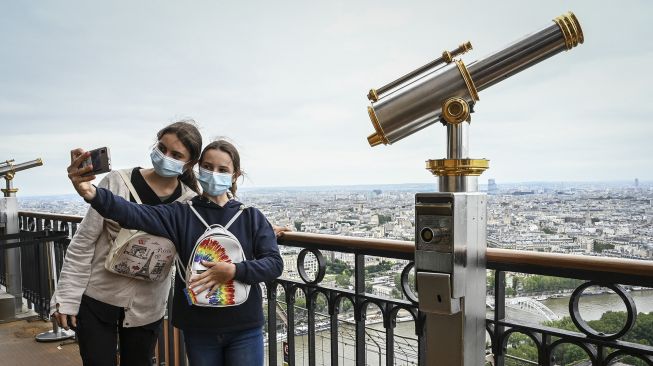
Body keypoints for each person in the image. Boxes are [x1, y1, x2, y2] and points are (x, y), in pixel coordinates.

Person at [68, 139, 284, 366]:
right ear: (198, 168)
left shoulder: (251, 217)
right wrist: (91, 193)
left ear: (234, 175)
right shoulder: (181, 213)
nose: (213, 174)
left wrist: (233, 270)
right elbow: (132, 213)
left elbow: (274, 263)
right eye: (208, 167)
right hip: (202, 327)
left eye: (222, 170)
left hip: (242, 327)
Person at [51, 120, 203, 366]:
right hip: (97, 299)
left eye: (176, 155)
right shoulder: (118, 182)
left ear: (190, 163)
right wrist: (67, 298)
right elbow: (83, 244)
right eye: (162, 148)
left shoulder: (189, 203)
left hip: (146, 309)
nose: (165, 157)